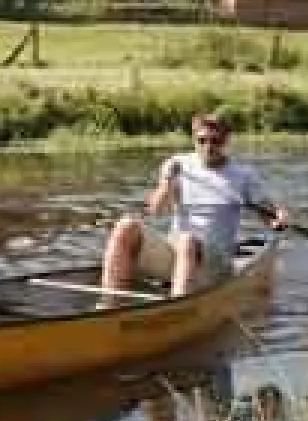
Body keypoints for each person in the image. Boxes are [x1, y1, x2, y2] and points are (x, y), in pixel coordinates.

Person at [100, 111, 286, 298]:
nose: (208, 147)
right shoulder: (177, 165)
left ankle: (179, 306)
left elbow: (270, 214)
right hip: (175, 256)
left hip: (215, 265)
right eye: (201, 140)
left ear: (226, 141)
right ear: (194, 139)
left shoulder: (244, 175)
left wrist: (279, 218)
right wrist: (168, 182)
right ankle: (110, 300)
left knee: (187, 240)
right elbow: (156, 210)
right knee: (125, 226)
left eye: (215, 141)